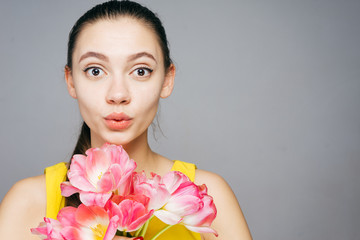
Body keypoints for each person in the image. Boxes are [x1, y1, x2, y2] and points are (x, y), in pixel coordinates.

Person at [0, 1, 252, 239]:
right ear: (70, 81)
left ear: (167, 79)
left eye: (140, 71)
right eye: (95, 71)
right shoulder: (28, 202)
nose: (118, 94)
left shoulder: (203, 197)